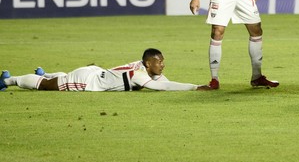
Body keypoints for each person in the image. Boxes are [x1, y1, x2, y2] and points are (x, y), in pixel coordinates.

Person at [0, 48, 212, 91]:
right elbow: (163, 87)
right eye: (159, 62)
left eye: (163, 61)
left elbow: (164, 80)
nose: (162, 65)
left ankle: (44, 73)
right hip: (87, 81)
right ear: (148, 64)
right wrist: (195, 88)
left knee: (59, 78)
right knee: (46, 87)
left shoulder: (143, 68)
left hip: (94, 72)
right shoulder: (139, 74)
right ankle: (8, 80)